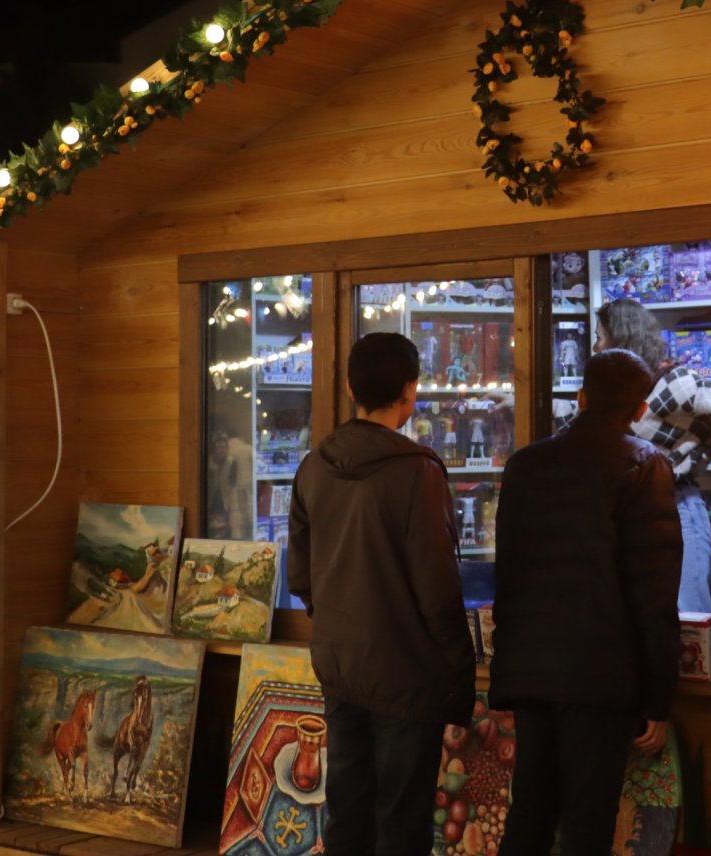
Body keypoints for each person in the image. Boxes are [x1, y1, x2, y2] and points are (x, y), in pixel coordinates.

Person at [287, 332, 475, 855]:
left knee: (347, 813)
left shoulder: (314, 466)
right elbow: (438, 592)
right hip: (407, 677)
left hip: (341, 667)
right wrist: (460, 675)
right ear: (410, 392)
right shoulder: (417, 471)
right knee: (401, 822)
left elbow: (300, 579)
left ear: (350, 387)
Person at [490, 348, 681, 856]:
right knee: (587, 825)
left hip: (531, 671)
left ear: (581, 397)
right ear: (640, 410)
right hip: (601, 677)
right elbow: (654, 592)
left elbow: (507, 573)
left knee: (528, 813)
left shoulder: (525, 464)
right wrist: (658, 700)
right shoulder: (644, 465)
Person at [595, 298, 711, 612]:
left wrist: (710, 452)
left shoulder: (676, 384)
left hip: (676, 511)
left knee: (687, 618)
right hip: (631, 517)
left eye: (600, 337)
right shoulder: (623, 394)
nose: (596, 347)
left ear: (620, 338)